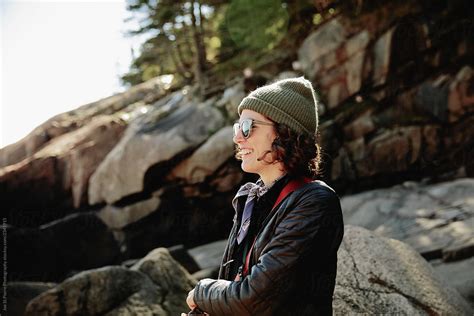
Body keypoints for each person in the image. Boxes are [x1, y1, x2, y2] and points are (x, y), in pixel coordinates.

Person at [184, 77, 344, 315]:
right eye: (238, 128)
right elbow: (233, 286)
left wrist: (201, 292)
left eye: (248, 127)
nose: (238, 138)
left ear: (284, 132)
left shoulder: (315, 203)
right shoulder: (251, 200)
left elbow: (252, 299)